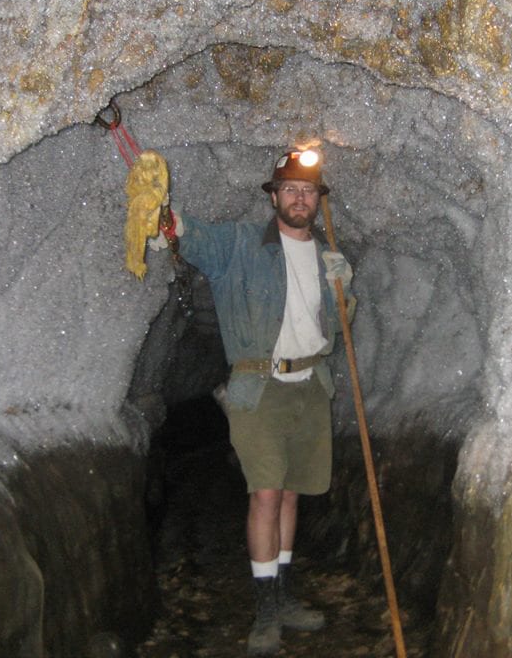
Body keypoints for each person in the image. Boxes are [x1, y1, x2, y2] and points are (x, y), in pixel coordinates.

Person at [154, 148, 354, 655]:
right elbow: (190, 235)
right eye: (290, 190)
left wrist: (343, 291)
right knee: (266, 494)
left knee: (290, 495)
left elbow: (338, 326)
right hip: (258, 386)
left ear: (317, 199)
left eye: (308, 191)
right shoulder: (240, 245)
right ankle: (265, 610)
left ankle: (283, 595)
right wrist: (165, 215)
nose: (299, 198)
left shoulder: (328, 255)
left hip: (310, 386)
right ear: (273, 197)